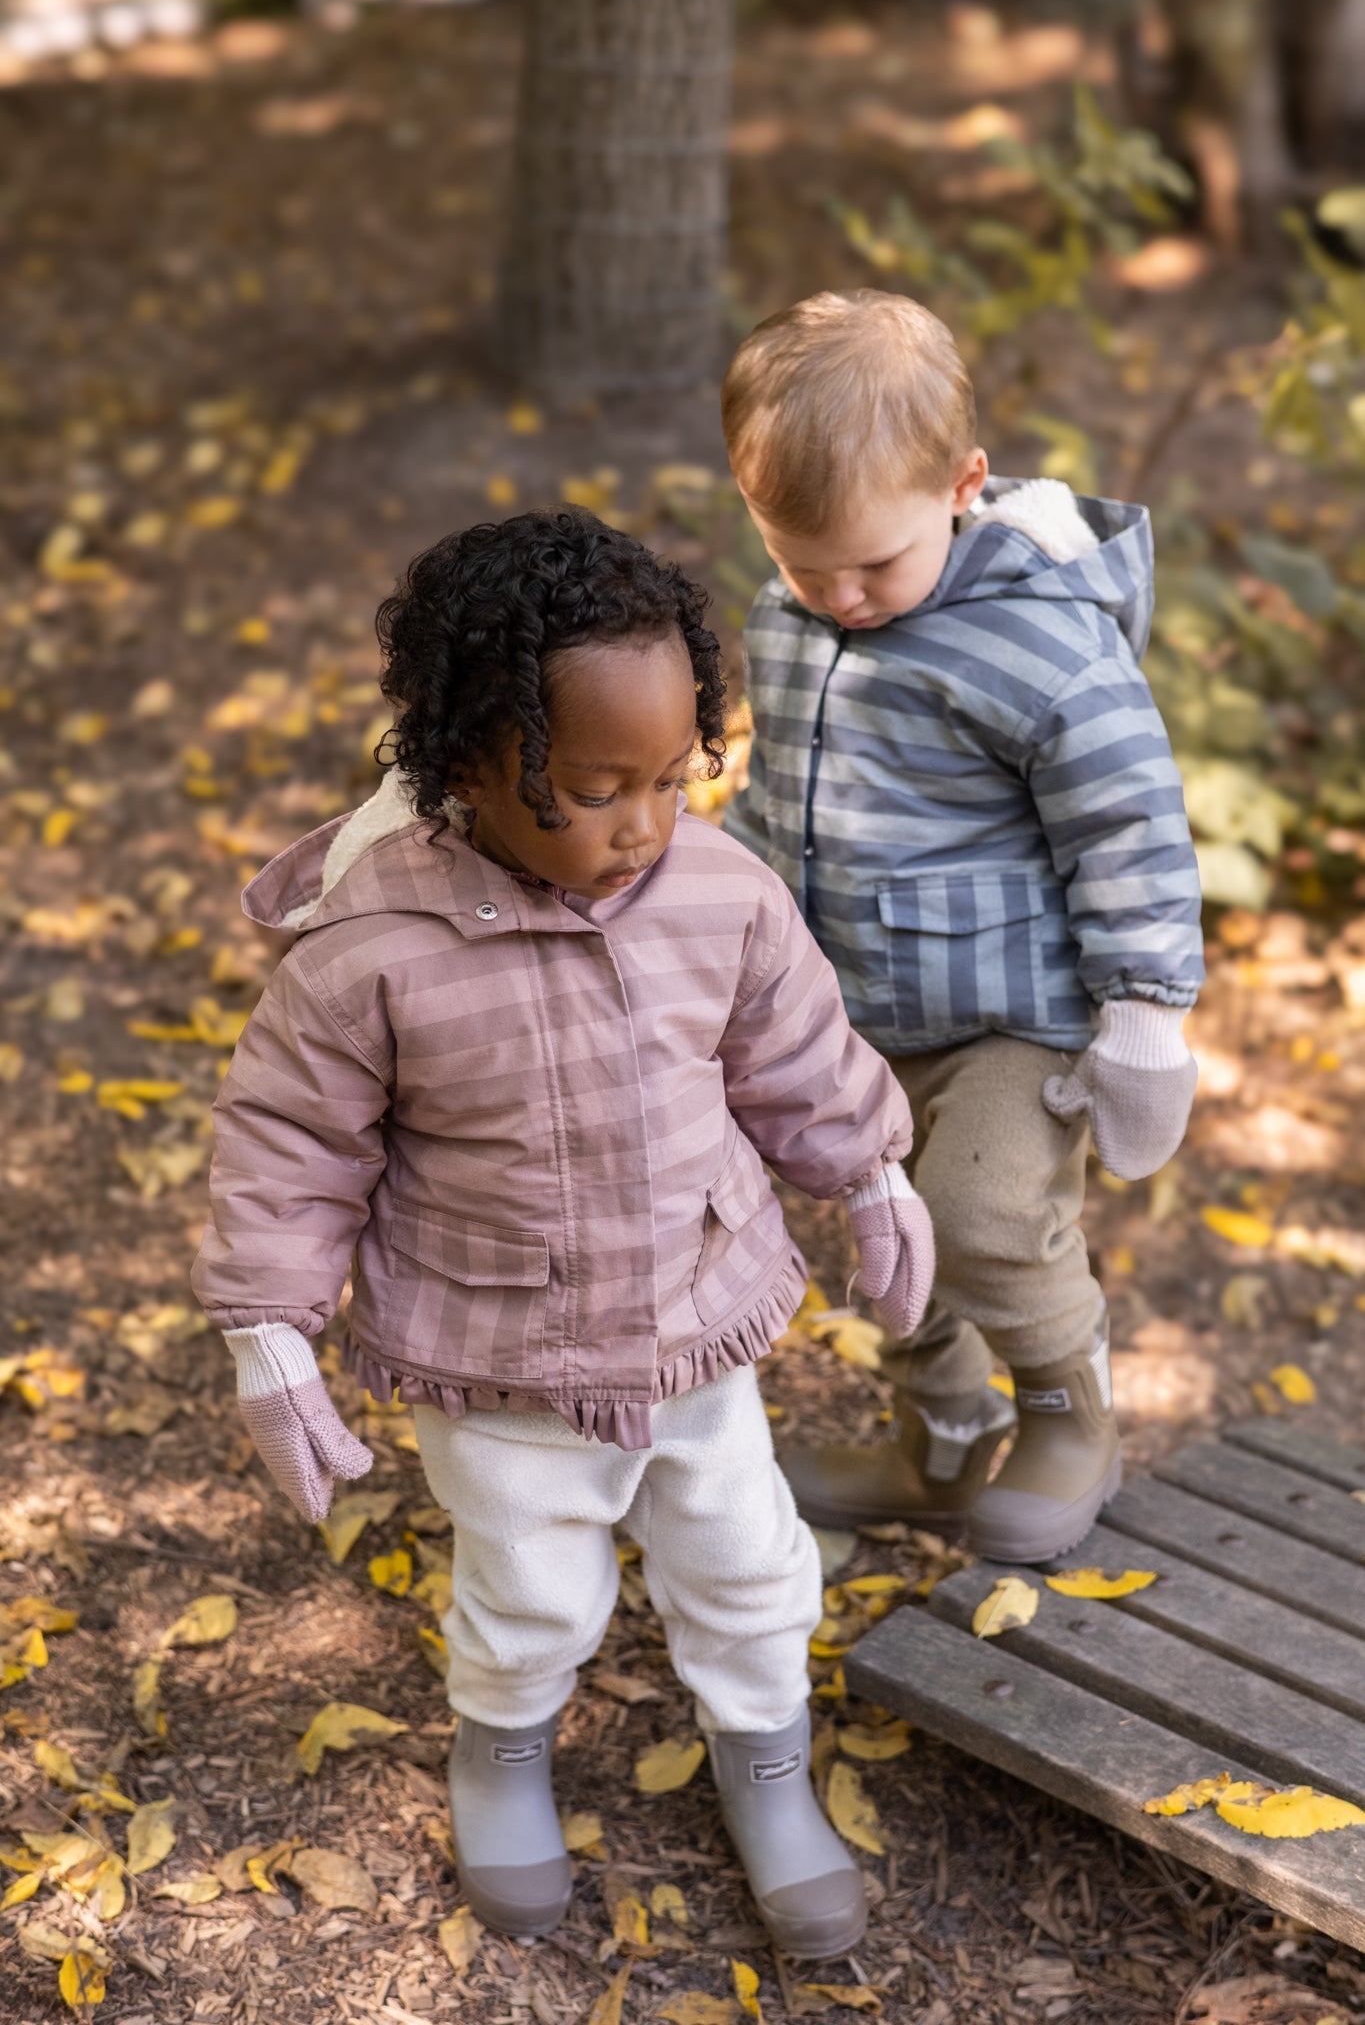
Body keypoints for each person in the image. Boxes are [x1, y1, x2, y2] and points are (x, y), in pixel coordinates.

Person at [191, 507, 934, 1957]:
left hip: (695, 1317)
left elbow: (793, 1053)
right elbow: (291, 1144)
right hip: (499, 1351)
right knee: (530, 1587)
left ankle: (766, 1758)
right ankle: (504, 1750)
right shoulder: (373, 954)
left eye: (671, 777)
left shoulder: (716, 895)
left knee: (745, 1558)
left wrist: (870, 1175)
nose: (643, 823)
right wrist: (268, 1334)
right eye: (593, 789)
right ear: (462, 764)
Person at [721, 289, 1204, 1565]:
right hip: (846, 1011)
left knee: (980, 1212)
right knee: (887, 1237)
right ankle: (933, 1443)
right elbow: (779, 804)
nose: (839, 595)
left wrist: (1146, 1014)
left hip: (1011, 1018)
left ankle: (1066, 1413)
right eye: (797, 559)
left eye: (872, 564)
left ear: (961, 484)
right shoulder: (795, 621)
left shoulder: (1045, 647)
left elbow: (1132, 827)